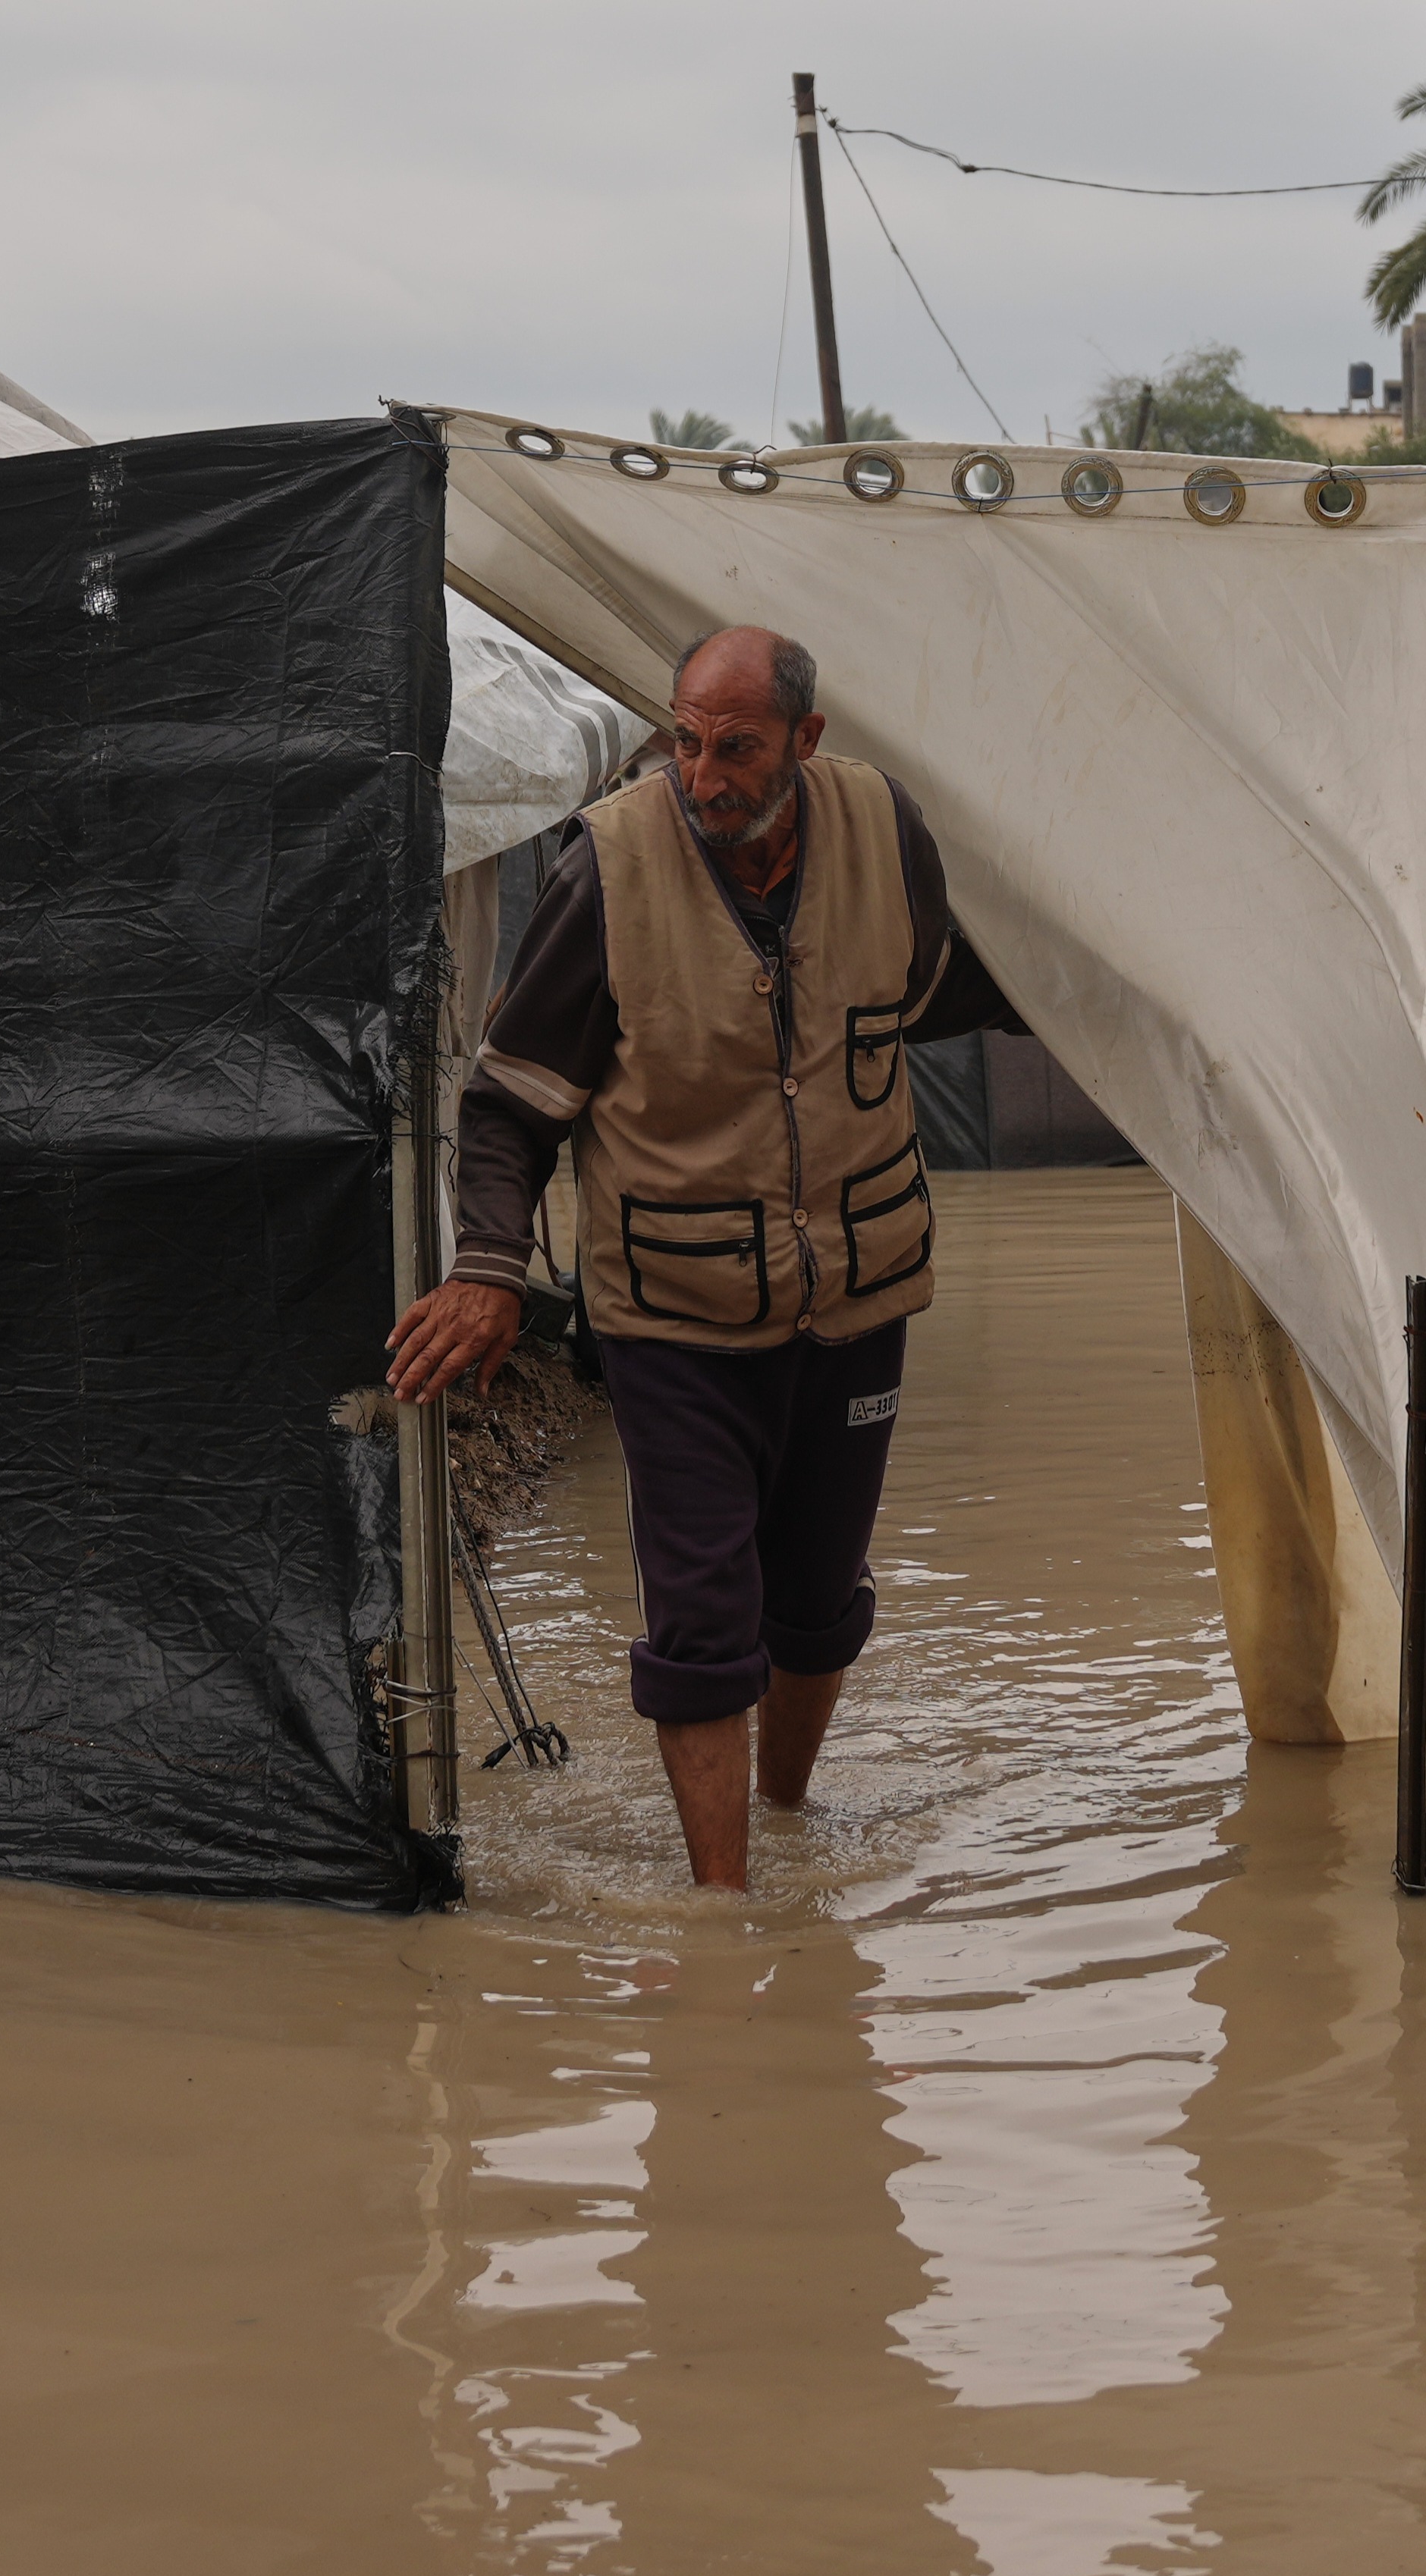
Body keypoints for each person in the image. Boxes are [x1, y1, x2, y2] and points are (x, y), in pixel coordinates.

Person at [384, 626, 1025, 1889]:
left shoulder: (886, 830)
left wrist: (1102, 995)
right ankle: (726, 1912)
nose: (703, 775)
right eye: (685, 742)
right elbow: (511, 1103)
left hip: (859, 1297)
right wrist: (489, 1267)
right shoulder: (609, 867)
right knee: (700, 1615)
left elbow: (938, 988)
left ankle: (786, 1820)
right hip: (672, 1311)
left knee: (819, 1602)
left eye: (736, 748)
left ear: (804, 740)